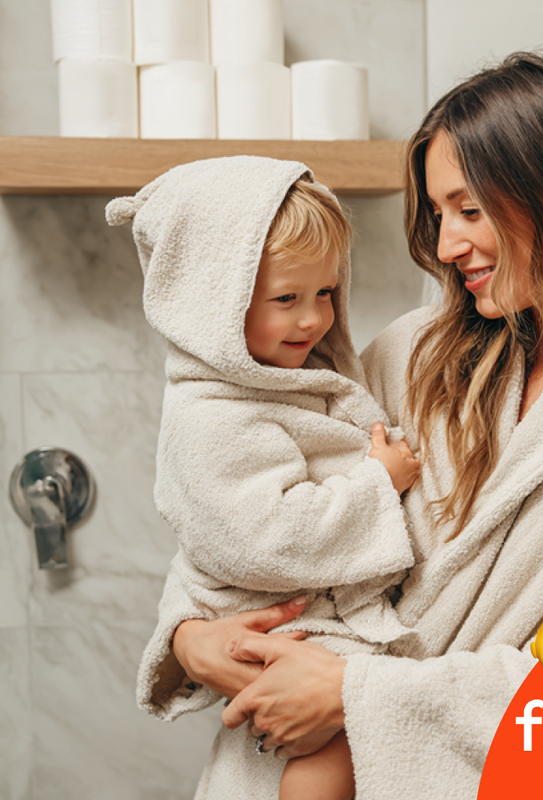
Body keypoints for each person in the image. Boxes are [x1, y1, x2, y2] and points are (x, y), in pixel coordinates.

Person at [148, 52, 543, 799]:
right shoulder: (417, 350)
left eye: (469, 210)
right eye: (439, 215)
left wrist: (355, 695)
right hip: (271, 771)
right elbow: (252, 522)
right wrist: (191, 636)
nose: (445, 246)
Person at [105, 155, 421, 800]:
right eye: (286, 299)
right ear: (213, 306)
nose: (313, 320)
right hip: (282, 626)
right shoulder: (212, 417)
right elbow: (264, 540)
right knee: (332, 756)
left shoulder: (295, 387)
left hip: (307, 620)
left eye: (326, 293)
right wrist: (376, 484)